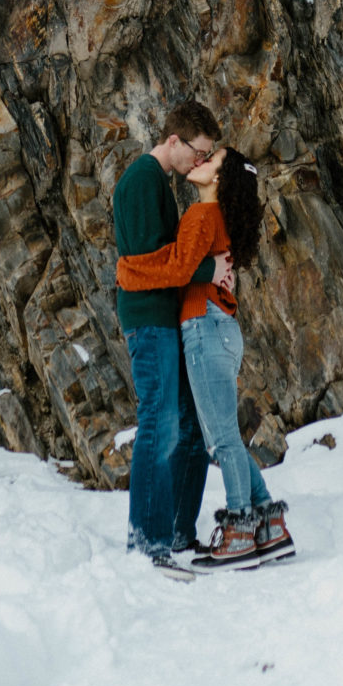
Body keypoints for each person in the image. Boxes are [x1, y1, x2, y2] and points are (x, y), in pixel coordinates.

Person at [115, 146, 295, 572]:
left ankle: (238, 532)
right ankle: (270, 524)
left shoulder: (199, 217)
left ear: (220, 178)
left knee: (221, 439)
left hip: (203, 328)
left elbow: (176, 269)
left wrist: (128, 273)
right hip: (222, 329)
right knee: (225, 433)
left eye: (209, 159)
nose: (200, 162)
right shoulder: (218, 219)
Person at [111, 99, 219, 574]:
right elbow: (150, 267)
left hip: (166, 318)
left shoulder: (161, 183)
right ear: (173, 140)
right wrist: (211, 268)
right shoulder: (140, 180)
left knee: (188, 425)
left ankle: (177, 533)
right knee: (158, 422)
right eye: (198, 152)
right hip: (148, 320)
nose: (200, 162)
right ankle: (147, 541)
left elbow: (164, 262)